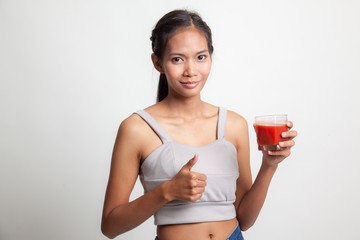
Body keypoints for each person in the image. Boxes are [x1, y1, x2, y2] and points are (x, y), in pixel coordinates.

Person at [101, 9, 297, 240]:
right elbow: (110, 226)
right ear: (158, 63)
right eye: (177, 59)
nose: (191, 71)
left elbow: (244, 220)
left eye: (200, 57)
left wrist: (269, 165)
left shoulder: (234, 125)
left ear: (211, 58)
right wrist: (167, 191)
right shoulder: (137, 129)